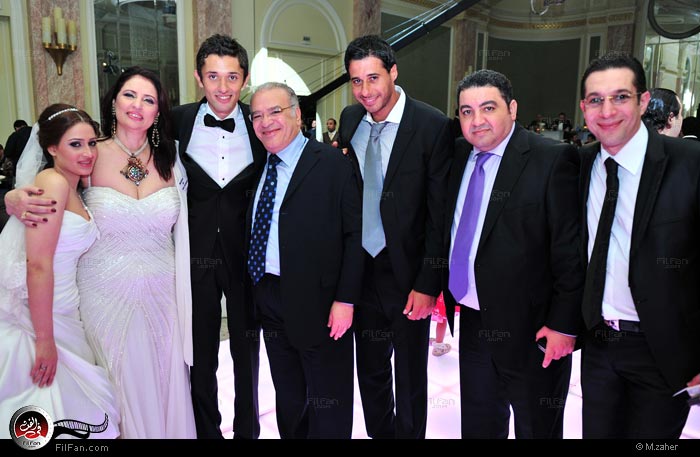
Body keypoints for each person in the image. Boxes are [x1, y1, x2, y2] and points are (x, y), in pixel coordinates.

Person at [6, 68, 196, 438]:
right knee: (115, 388)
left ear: (158, 111)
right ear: (113, 101)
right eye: (129, 95)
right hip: (104, 296)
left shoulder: (171, 160)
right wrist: (14, 198)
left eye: (149, 100)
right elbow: (50, 187)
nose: (137, 105)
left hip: (164, 296)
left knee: (163, 379)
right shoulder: (89, 156)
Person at [443, 69, 583, 439]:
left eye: (488, 108)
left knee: (536, 428)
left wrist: (564, 324)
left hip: (534, 330)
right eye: (467, 111)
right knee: (479, 426)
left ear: (513, 109)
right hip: (474, 320)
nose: (477, 120)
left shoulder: (551, 159)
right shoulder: (457, 155)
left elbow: (570, 252)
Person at [578, 51, 700, 438]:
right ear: (583, 108)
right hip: (599, 345)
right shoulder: (578, 166)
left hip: (665, 351)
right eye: (596, 100)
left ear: (643, 101)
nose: (607, 110)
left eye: (620, 97)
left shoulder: (690, 163)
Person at [338, 35, 453, 439]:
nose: (365, 90)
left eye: (373, 78)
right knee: (369, 370)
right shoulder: (350, 120)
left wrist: (428, 283)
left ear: (394, 72)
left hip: (407, 273)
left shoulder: (433, 125)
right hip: (361, 269)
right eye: (356, 81)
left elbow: (439, 214)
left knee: (409, 374)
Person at [246, 82, 363, 438]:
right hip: (268, 296)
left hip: (321, 304)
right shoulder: (258, 165)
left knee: (329, 401)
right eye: (257, 116)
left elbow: (354, 235)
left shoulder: (332, 163)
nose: (266, 122)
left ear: (297, 114)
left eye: (275, 112)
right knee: (290, 398)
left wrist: (345, 299)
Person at [0, 104, 120, 439]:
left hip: (68, 310)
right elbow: (38, 264)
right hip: (44, 317)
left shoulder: (75, 185)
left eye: (91, 143)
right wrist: (44, 340)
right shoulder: (52, 182)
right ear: (52, 148)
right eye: (75, 144)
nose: (88, 153)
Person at [171, 33, 265, 439]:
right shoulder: (174, 121)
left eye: (232, 77)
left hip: (247, 257)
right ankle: (205, 431)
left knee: (247, 351)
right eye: (213, 76)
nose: (222, 87)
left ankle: (247, 431)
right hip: (194, 255)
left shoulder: (261, 123)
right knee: (200, 351)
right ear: (198, 77)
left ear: (245, 79)